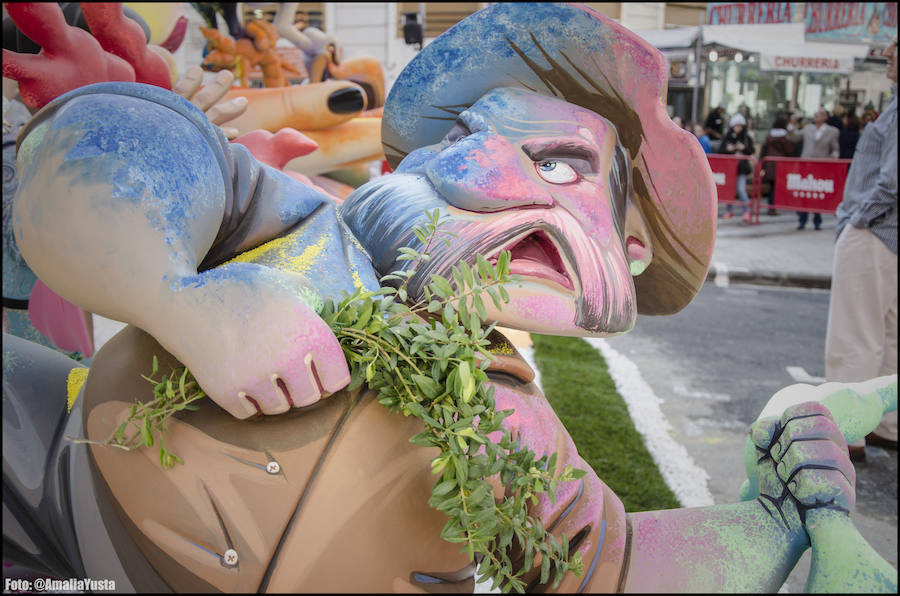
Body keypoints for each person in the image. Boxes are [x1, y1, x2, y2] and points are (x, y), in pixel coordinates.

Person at [3, 3, 895, 593]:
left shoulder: (505, 416)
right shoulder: (296, 224)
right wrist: (182, 298)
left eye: (573, 177)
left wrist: (773, 517)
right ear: (423, 162)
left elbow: (610, 570)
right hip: (59, 504)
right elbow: (101, 145)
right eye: (521, 151)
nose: (523, 189)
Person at [826, 36, 898, 461]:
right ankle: (885, 425)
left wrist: (857, 218)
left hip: (875, 231)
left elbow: (891, 181)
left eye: (895, 46)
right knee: (887, 334)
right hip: (888, 234)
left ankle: (849, 430)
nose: (887, 53)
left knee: (854, 334)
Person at [796, 107, 840, 230]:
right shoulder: (807, 128)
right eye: (815, 114)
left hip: (821, 166)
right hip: (806, 165)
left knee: (817, 194)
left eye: (819, 114)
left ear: (825, 117)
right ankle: (802, 220)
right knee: (805, 194)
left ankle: (817, 220)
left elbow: (835, 148)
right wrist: (792, 123)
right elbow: (793, 137)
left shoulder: (833, 131)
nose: (816, 116)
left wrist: (834, 156)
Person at [717, 112, 755, 223]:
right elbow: (721, 150)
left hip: (741, 168)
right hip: (729, 167)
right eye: (736, 125)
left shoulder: (746, 137)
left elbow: (751, 150)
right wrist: (730, 149)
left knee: (741, 189)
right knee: (729, 190)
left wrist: (743, 148)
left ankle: (747, 211)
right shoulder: (728, 136)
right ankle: (729, 210)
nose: (738, 128)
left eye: (740, 126)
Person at [758, 115, 794, 216]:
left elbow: (763, 151)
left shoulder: (769, 136)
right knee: (776, 188)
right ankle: (773, 207)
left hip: (769, 164)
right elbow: (789, 151)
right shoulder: (785, 137)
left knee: (772, 187)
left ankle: (771, 206)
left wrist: (762, 165)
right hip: (781, 165)